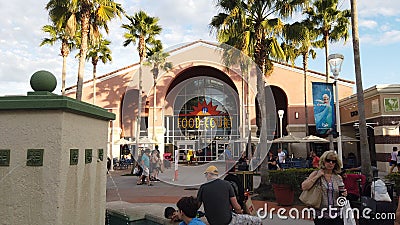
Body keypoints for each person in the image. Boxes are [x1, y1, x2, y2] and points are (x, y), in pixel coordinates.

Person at [197, 165, 261, 225]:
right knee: (258, 221)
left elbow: (197, 205)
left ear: (209, 175)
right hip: (227, 220)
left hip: (212, 221)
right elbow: (236, 207)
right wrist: (241, 213)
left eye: (206, 175)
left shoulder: (203, 187)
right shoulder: (227, 184)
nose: (206, 177)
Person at [301, 150, 347, 225]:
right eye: (328, 160)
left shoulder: (338, 177)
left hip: (336, 215)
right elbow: (304, 187)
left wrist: (344, 194)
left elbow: (341, 196)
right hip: (321, 215)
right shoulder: (316, 173)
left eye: (333, 161)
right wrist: (317, 176)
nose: (330, 163)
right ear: (323, 161)